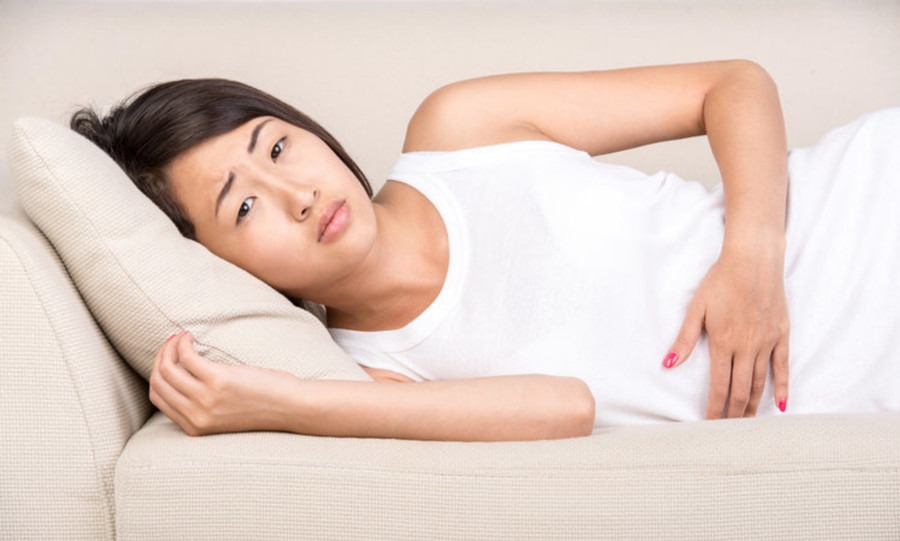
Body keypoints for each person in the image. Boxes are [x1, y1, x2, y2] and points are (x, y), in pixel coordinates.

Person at [71, 60, 900, 442]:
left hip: (861, 202)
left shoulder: (458, 129)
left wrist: (752, 258)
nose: (300, 194)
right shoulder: (372, 375)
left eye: (278, 145)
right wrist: (285, 400)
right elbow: (565, 407)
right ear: (221, 265)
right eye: (245, 205)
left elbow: (732, 85)